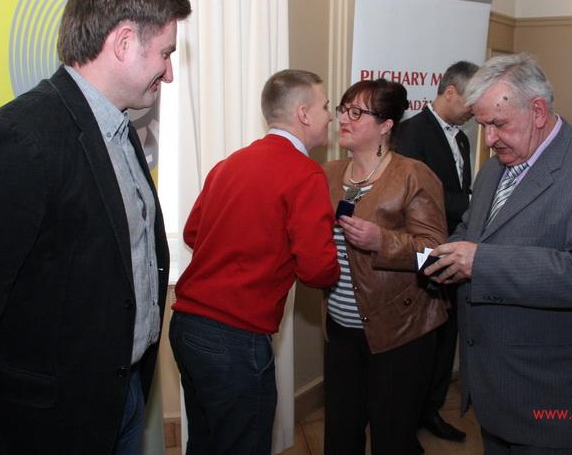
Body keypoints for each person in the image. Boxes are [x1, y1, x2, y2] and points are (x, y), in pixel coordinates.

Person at [0, 0, 191, 455]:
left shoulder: (120, 129)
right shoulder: (20, 139)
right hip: (50, 420)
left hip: (121, 395)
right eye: (165, 53)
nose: (169, 72)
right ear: (123, 42)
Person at [424, 53, 572, 453]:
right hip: (493, 389)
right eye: (483, 126)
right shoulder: (494, 168)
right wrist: (442, 255)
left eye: (499, 124)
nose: (489, 139)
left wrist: (480, 261)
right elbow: (473, 230)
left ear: (538, 111)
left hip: (550, 396)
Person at [169, 69, 340, 454]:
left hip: (187, 327)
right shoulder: (305, 173)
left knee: (205, 442)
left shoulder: (229, 164)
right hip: (235, 337)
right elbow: (317, 268)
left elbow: (194, 233)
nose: (331, 115)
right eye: (326, 105)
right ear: (303, 113)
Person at [323, 78, 449, 454]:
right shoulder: (329, 174)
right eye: (343, 110)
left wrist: (383, 241)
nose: (343, 119)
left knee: (392, 436)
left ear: (386, 125)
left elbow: (435, 252)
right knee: (340, 432)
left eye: (356, 112)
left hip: (400, 331)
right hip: (341, 330)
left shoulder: (414, 175)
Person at [395, 60, 478, 442]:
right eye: (471, 99)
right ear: (451, 92)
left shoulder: (463, 138)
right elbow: (415, 198)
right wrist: (477, 204)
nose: (475, 109)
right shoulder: (411, 133)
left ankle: (432, 410)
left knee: (446, 338)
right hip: (422, 253)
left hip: (455, 251)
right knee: (420, 345)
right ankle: (406, 421)